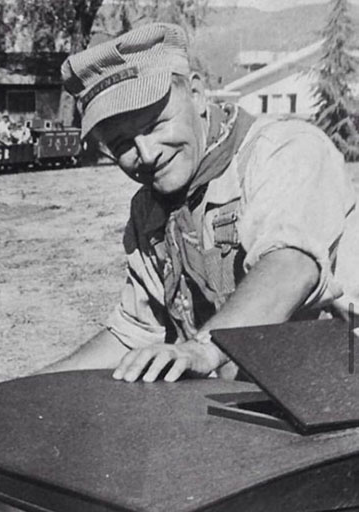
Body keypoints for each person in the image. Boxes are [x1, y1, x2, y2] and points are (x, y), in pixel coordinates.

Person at [45, 22, 359, 383]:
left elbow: (291, 266)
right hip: (257, 400)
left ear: (196, 94)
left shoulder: (285, 149)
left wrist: (203, 348)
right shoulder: (150, 210)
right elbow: (131, 335)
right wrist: (20, 391)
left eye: (154, 125)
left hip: (343, 387)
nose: (145, 155)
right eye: (121, 145)